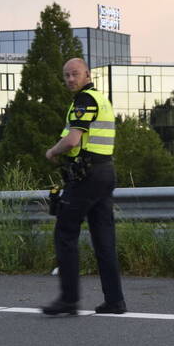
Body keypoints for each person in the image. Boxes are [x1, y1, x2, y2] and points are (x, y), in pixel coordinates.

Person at [41, 58, 126, 316]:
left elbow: (72, 140)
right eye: (66, 75)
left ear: (87, 74)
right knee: (104, 239)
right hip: (105, 172)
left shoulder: (84, 100)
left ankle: (69, 299)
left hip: (86, 175)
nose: (69, 79)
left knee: (65, 232)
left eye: (74, 74)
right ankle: (114, 301)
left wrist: (52, 152)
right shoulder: (101, 100)